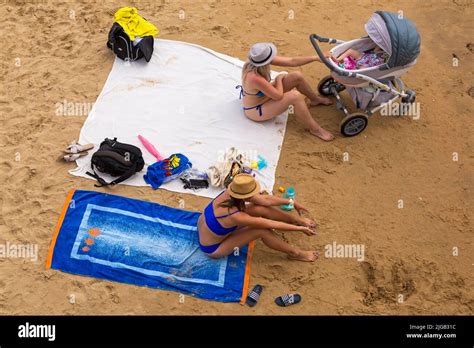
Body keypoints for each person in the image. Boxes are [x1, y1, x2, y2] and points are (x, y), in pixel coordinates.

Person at [197, 173, 319, 262]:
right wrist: (299, 229)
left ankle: (297, 220)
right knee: (261, 231)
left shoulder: (232, 192)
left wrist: (292, 202)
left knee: (259, 208)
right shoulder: (236, 216)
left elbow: (265, 201)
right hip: (213, 247)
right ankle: (295, 253)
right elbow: (269, 224)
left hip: (206, 226)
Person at [237, 42, 334, 141]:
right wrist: (278, 79)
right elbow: (278, 96)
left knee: (297, 76)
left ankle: (315, 100)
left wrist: (315, 57)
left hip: (264, 96)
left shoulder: (258, 61)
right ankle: (315, 129)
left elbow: (292, 61)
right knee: (295, 96)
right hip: (255, 110)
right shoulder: (254, 77)